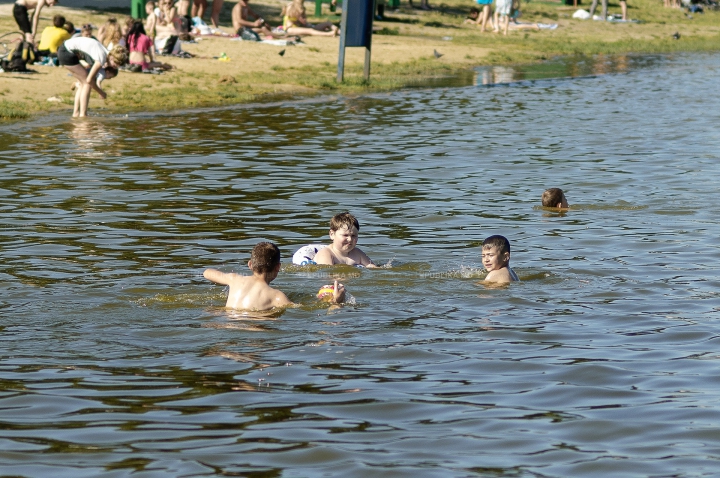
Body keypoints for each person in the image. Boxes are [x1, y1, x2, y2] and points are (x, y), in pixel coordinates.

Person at [203, 242, 346, 310]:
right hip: (253, 326)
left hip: (229, 321)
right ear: (278, 267)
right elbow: (305, 310)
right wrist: (334, 301)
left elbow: (207, 272)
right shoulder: (276, 296)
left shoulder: (234, 279)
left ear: (250, 264)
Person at [58, 36, 128, 117]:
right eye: (115, 64)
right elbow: (89, 80)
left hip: (65, 50)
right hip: (66, 52)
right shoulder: (101, 57)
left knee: (82, 84)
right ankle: (83, 114)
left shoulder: (105, 53)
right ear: (111, 57)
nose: (115, 67)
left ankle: (76, 113)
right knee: (87, 84)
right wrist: (101, 92)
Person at [313, 212, 377, 267]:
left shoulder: (357, 253)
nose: (350, 239)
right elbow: (327, 273)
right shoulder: (326, 253)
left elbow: (372, 268)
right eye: (345, 235)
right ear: (332, 234)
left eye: (353, 235)